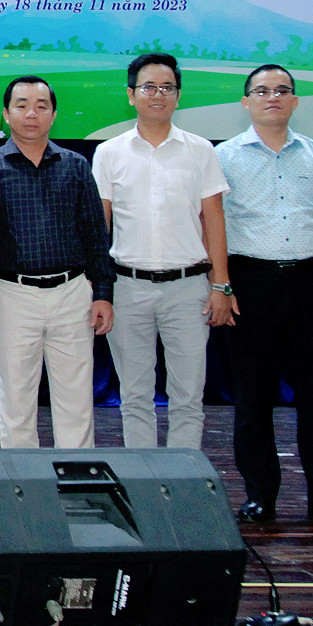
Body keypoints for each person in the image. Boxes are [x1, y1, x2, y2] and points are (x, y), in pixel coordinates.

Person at [216, 66, 313, 525]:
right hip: (250, 281)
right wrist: (221, 284)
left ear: (295, 101)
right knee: (253, 399)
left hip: (312, 282)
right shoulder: (223, 156)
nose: (273, 98)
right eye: (262, 91)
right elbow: (213, 224)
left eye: (282, 90)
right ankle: (260, 495)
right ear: (245, 101)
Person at [92, 53, 231, 449]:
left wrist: (221, 285)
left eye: (167, 87)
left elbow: (214, 220)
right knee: (135, 397)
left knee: (188, 398)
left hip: (189, 290)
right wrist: (100, 290)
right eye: (148, 87)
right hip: (127, 287)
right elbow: (99, 227)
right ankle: (143, 478)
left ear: (178, 95)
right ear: (131, 95)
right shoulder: (109, 152)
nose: (158, 94)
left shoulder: (200, 150)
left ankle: (184, 477)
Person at [0, 76, 114, 449]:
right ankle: (22, 481)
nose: (31, 114)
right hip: (12, 295)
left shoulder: (75, 165)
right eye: (21, 105)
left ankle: (77, 477)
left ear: (53, 115)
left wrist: (103, 293)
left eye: (41, 106)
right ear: (6, 114)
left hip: (72, 293)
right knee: (16, 403)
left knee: (76, 402)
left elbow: (95, 233)